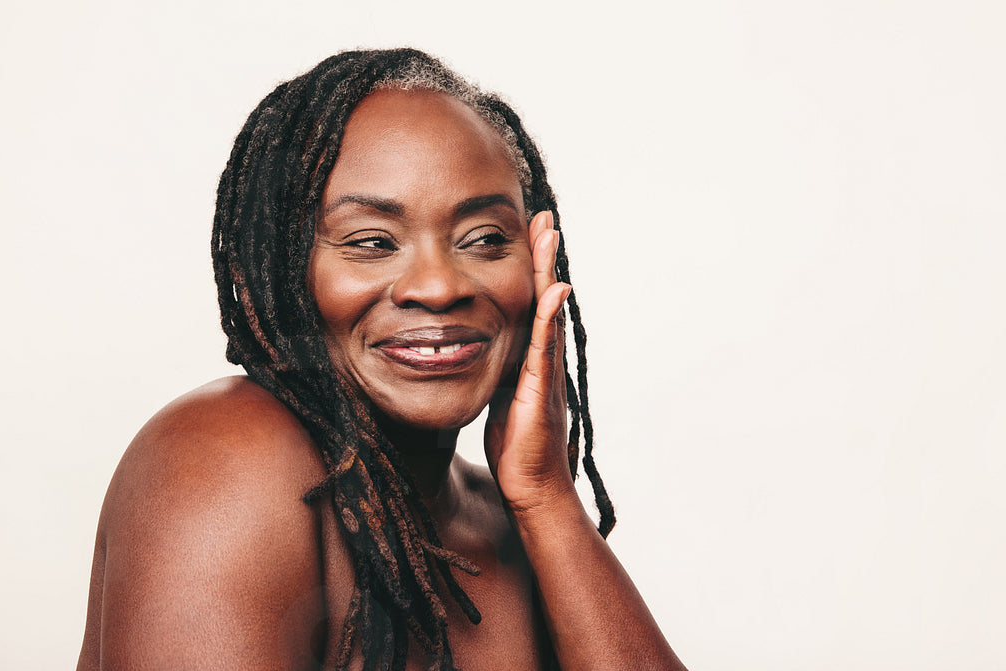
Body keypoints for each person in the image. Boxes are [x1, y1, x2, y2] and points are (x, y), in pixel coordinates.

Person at [76, 48, 685, 670]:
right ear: (274, 274)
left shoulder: (510, 520)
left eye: (484, 239)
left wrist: (547, 499)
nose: (440, 286)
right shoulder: (225, 457)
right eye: (372, 242)